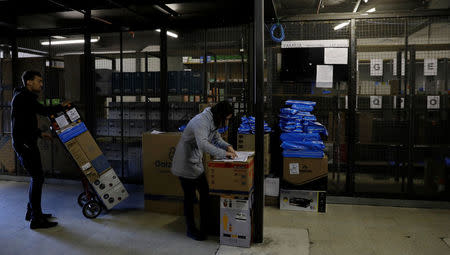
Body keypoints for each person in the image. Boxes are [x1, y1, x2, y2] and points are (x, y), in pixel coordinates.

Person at [11, 70, 70, 229]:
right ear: (29, 82)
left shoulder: (23, 96)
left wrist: (39, 133)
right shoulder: (23, 97)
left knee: (37, 177)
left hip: (26, 141)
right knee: (37, 177)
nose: (41, 84)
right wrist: (61, 107)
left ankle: (32, 212)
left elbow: (24, 122)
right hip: (25, 143)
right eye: (38, 81)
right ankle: (36, 219)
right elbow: (43, 111)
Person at [171, 101, 237, 241]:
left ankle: (205, 226)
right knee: (189, 198)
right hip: (185, 163)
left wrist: (228, 147)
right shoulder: (201, 121)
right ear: (221, 115)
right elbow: (203, 144)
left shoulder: (212, 120)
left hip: (195, 163)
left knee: (205, 194)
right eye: (226, 119)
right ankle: (191, 229)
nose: (227, 121)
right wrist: (224, 154)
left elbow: (215, 138)